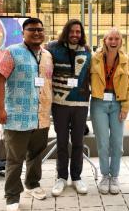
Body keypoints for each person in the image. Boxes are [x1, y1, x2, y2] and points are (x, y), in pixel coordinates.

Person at [0, 18, 53, 211]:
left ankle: (32, 184)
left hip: (41, 116)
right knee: (15, 159)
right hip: (17, 117)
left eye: (40, 30)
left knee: (36, 155)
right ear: (23, 32)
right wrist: (0, 108)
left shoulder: (47, 55)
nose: (37, 33)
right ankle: (12, 196)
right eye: (32, 29)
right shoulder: (11, 51)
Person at [47, 19, 91, 196]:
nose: (75, 35)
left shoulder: (87, 51)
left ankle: (77, 177)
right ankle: (61, 177)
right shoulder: (53, 48)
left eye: (78, 32)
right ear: (66, 31)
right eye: (72, 31)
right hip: (60, 104)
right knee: (62, 142)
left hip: (80, 104)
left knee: (79, 143)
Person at [90, 28, 129, 194]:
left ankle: (114, 176)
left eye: (116, 38)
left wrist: (126, 107)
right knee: (103, 143)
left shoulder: (127, 61)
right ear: (105, 40)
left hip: (118, 103)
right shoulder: (94, 58)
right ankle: (104, 175)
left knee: (117, 143)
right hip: (98, 103)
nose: (113, 41)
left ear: (121, 41)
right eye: (110, 38)